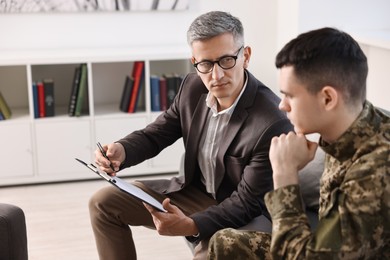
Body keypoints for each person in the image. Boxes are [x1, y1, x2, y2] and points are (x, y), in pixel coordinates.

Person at [88, 11, 293, 260]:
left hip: (244, 212)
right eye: (205, 64)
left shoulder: (272, 121)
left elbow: (247, 203)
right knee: (103, 202)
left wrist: (190, 225)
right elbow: (157, 134)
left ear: (245, 56)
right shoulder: (192, 87)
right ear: (194, 61)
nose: (216, 76)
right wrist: (122, 150)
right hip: (192, 192)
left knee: (209, 254)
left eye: (226, 60)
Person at [207, 27, 390, 259]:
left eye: (290, 96)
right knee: (224, 242)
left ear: (327, 98)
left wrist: (284, 174)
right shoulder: (348, 129)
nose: (282, 105)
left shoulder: (377, 171)